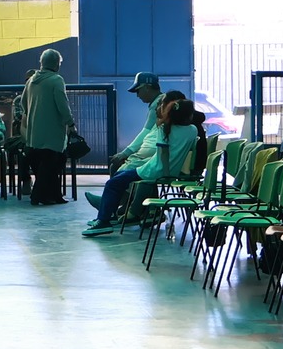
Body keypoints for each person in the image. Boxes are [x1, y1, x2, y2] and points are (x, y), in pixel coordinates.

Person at [85, 94, 199, 237]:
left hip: (153, 170)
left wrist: (166, 175)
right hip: (162, 170)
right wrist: (170, 173)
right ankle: (108, 213)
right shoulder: (192, 130)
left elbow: (163, 155)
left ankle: (103, 221)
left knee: (112, 183)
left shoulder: (164, 129)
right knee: (120, 176)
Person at [22, 49, 74, 205]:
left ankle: (55, 196)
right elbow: (62, 105)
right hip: (52, 133)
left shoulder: (31, 80)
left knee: (44, 167)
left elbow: (23, 102)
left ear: (41, 62)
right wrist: (70, 123)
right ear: (57, 64)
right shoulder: (56, 80)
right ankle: (37, 196)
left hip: (34, 135)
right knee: (51, 166)